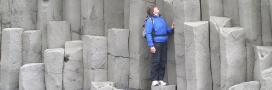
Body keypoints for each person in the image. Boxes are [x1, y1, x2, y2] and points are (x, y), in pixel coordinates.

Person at [145, 6, 174, 86]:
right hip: (156, 43)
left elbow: (166, 30)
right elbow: (148, 33)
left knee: (163, 61)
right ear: (153, 11)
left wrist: (171, 29)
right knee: (156, 61)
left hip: (164, 42)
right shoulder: (150, 20)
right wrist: (151, 45)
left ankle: (161, 79)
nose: (158, 9)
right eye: (156, 8)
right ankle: (154, 80)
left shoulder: (161, 19)